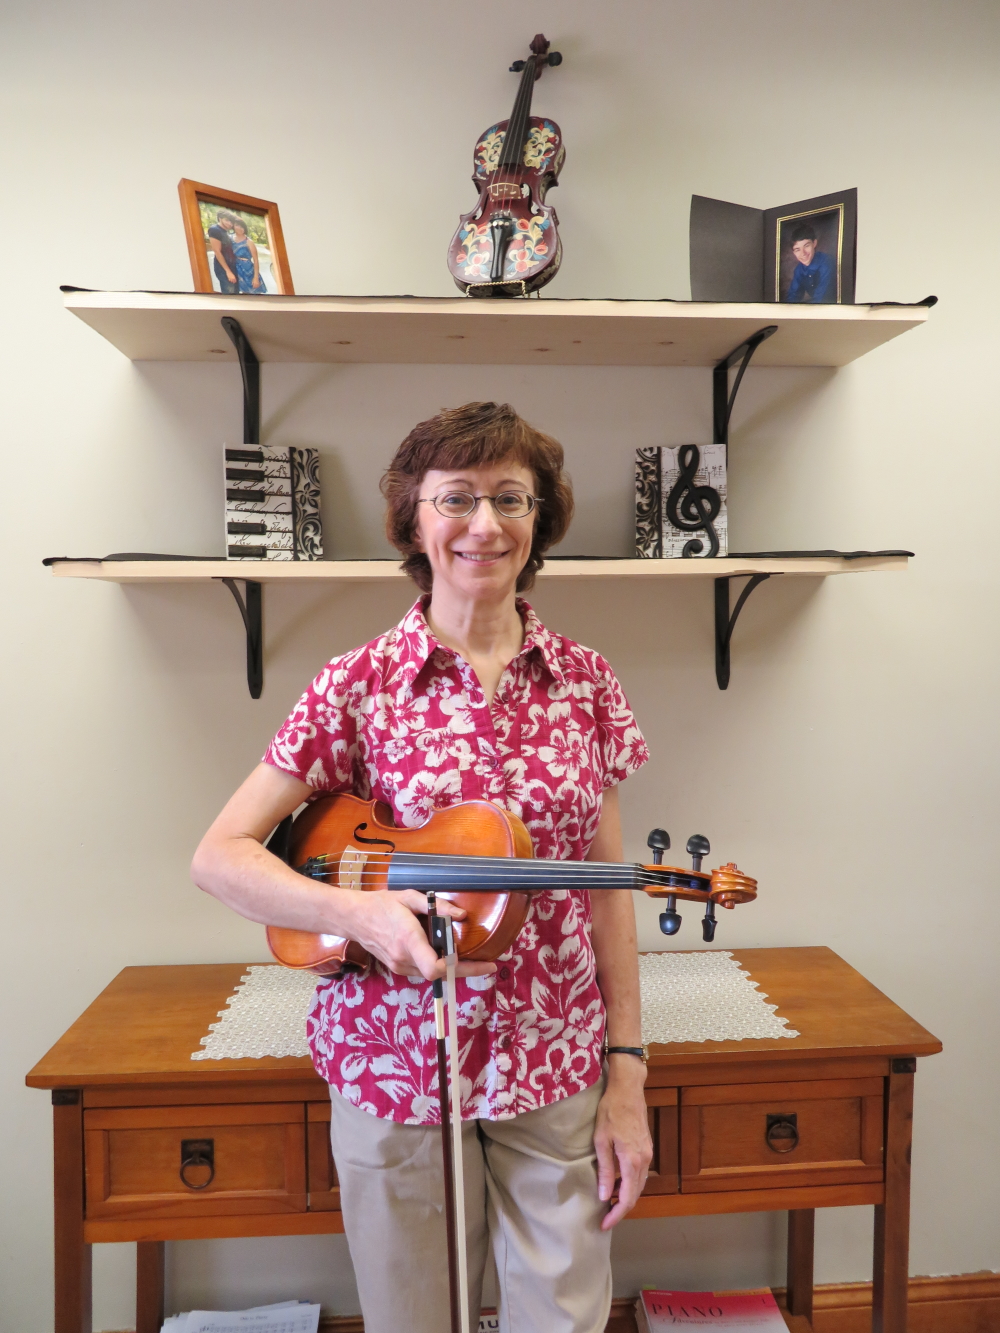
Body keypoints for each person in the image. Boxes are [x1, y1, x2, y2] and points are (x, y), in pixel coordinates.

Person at [191, 401, 653, 1333]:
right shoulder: (355, 684)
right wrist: (363, 916)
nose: (485, 524)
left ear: (540, 521)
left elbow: (608, 900)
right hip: (394, 1065)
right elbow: (219, 855)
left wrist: (629, 1077)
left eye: (511, 499)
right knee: (414, 1318)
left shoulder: (589, 683)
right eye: (457, 498)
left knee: (566, 1317)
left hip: (554, 1055)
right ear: (413, 520)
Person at [784, 220, 836, 302]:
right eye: (797, 249)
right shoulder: (799, 270)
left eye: (806, 246)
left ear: (814, 243)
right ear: (793, 252)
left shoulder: (827, 263)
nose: (803, 253)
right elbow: (793, 296)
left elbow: (821, 299)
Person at [207, 209, 240, 294]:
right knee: (230, 292)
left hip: (232, 265)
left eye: (231, 222)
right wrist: (228, 271)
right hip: (223, 268)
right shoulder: (215, 230)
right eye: (227, 220)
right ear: (220, 218)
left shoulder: (225, 231)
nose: (230, 224)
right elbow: (217, 252)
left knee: (235, 292)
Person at [232, 217, 267, 294]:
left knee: (254, 293)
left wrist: (255, 278)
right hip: (236, 269)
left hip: (248, 271)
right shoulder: (230, 238)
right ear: (233, 226)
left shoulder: (249, 242)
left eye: (242, 227)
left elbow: (256, 260)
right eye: (237, 225)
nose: (240, 228)